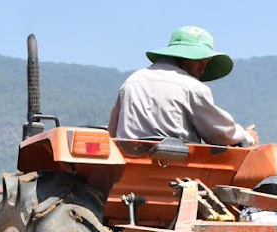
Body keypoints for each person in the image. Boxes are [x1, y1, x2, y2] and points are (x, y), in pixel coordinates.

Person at [108, 26, 258, 147]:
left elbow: (112, 132)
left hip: (127, 165)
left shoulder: (132, 81)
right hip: (176, 168)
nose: (203, 67)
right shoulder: (192, 87)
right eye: (201, 60)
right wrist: (246, 136)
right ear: (184, 55)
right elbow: (220, 134)